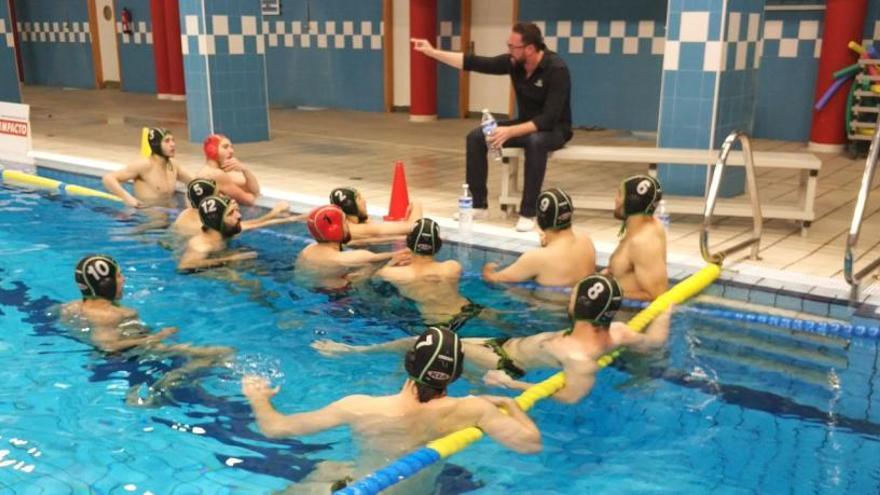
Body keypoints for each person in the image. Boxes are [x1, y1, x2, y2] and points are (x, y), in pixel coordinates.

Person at [243, 326, 541, 493]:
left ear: (408, 364)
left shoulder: (361, 407)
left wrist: (258, 398)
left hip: (368, 489)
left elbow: (275, 428)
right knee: (330, 468)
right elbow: (530, 444)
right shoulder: (474, 409)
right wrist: (510, 403)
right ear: (456, 375)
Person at [314, 275, 672, 404]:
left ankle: (352, 351)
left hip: (504, 363)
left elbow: (568, 397)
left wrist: (507, 385)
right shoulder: (619, 332)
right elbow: (653, 343)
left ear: (577, 305)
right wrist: (667, 305)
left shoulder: (578, 357)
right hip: (502, 345)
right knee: (441, 352)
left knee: (426, 342)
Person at [412, 22, 572, 232]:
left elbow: (549, 119)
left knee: (535, 141)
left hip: (555, 130)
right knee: (476, 137)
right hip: (524, 123)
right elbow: (475, 62)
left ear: (530, 49)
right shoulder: (514, 63)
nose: (509, 50)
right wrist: (432, 53)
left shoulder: (556, 69)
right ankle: (478, 205)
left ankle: (528, 212)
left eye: (512, 46)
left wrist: (509, 131)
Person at [60, 254, 232, 405]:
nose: (124, 279)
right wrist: (156, 337)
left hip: (119, 357)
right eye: (119, 275)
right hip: (135, 353)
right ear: (106, 283)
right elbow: (107, 346)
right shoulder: (109, 315)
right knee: (220, 352)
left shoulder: (70, 307)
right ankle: (166, 385)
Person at [375, 218, 481, 331]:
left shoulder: (394, 273)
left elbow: (373, 281)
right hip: (469, 311)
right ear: (438, 245)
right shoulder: (453, 267)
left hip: (441, 323)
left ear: (409, 242)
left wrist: (390, 263)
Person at [483, 188, 595, 288]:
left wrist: (487, 270)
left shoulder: (536, 258)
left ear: (540, 220)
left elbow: (493, 279)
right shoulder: (586, 241)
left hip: (548, 308)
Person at [294, 205, 411, 290]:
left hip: (310, 291)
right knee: (375, 272)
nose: (348, 226)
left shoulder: (308, 249)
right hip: (336, 301)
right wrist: (401, 253)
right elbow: (376, 258)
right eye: (345, 223)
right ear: (336, 229)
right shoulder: (341, 258)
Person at [605, 175, 668, 301]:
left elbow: (657, 296)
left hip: (631, 317)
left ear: (631, 201)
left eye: (619, 194)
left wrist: (607, 296)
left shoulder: (642, 242)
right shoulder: (644, 227)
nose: (615, 199)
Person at [171, 178, 299, 238]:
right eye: (218, 194)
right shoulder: (209, 222)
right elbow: (246, 226)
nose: (223, 196)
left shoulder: (187, 214)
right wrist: (273, 214)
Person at [102, 127, 195, 208]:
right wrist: (127, 198)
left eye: (173, 140)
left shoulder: (173, 166)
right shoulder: (144, 165)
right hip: (145, 218)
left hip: (168, 214)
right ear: (156, 145)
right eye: (167, 141)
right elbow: (108, 178)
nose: (172, 144)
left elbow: (195, 181)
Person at [177, 195, 264, 272]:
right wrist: (228, 260)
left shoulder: (227, 232)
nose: (239, 215)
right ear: (216, 222)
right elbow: (184, 266)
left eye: (236, 211)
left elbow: (250, 225)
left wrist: (272, 216)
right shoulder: (201, 245)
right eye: (230, 213)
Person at [329, 186, 423, 240]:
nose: (364, 201)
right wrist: (416, 204)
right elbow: (415, 227)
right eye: (359, 199)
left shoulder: (337, 226)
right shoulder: (363, 229)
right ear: (351, 207)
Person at [198, 134, 262, 206]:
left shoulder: (209, 170)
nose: (231, 151)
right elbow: (250, 200)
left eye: (231, 147)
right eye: (225, 147)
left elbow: (255, 191)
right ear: (212, 150)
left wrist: (245, 169)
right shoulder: (216, 174)